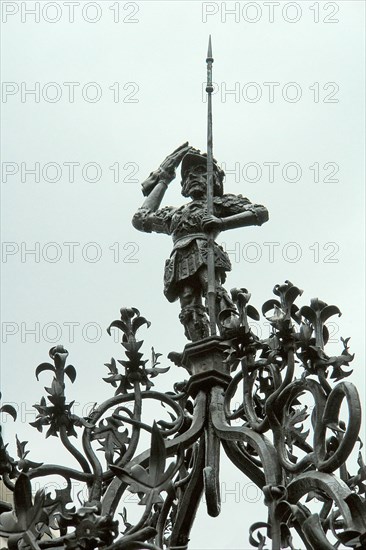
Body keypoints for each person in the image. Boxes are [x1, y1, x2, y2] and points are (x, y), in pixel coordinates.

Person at [132, 143, 269, 341]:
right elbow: (141, 218)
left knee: (212, 289)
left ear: (214, 179)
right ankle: (201, 342)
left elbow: (260, 213)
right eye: (188, 174)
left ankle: (231, 333)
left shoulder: (217, 204)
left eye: (200, 172)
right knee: (187, 300)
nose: (193, 177)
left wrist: (221, 223)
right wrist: (164, 177)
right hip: (180, 259)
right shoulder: (174, 214)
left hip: (205, 252)